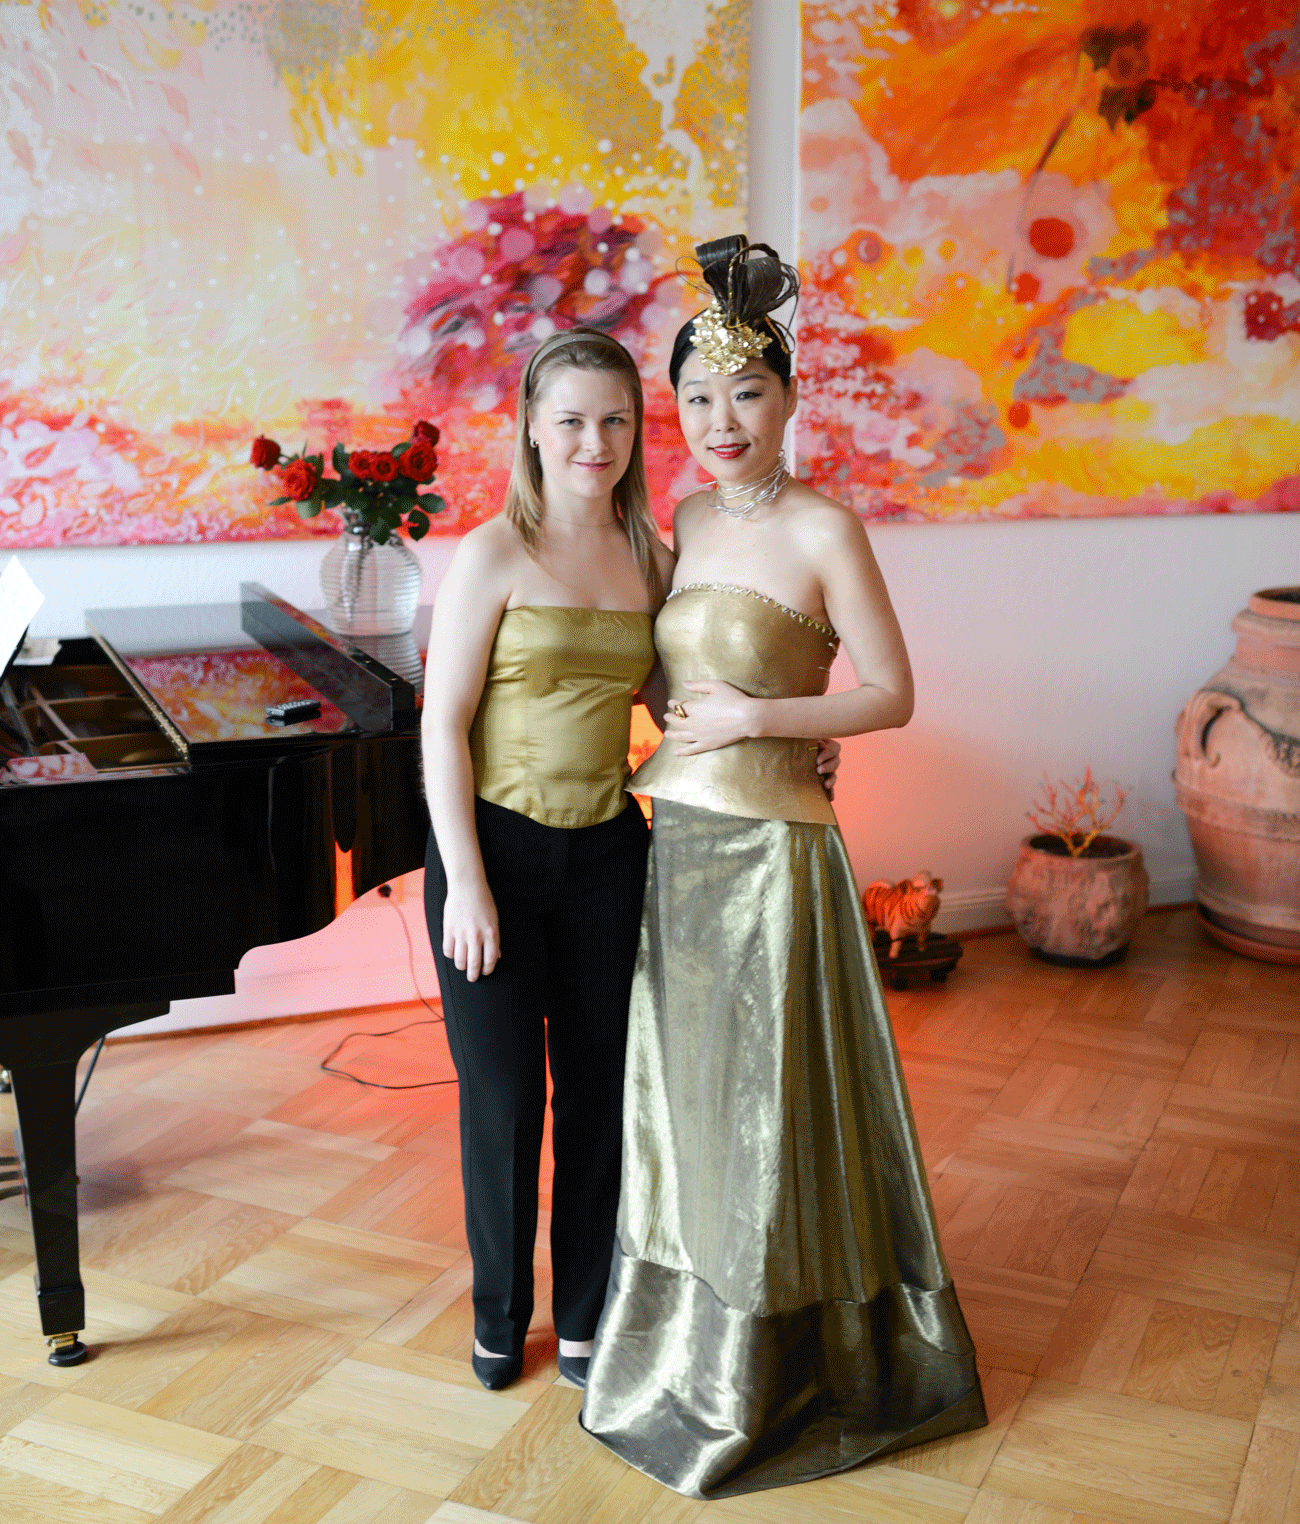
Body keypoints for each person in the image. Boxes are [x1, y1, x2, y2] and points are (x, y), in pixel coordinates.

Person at [580, 238, 987, 1497]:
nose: (721, 421)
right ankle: (690, 1342)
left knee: (776, 1099)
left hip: (775, 856)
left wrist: (769, 722)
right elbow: (662, 681)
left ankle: (789, 1362)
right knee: (691, 1098)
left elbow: (891, 693)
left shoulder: (825, 527)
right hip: (680, 849)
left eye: (746, 393)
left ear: (789, 397)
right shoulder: (684, 519)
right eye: (696, 397)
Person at [422, 327, 673, 1391]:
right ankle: (498, 1314)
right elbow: (442, 725)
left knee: (598, 1098)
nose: (594, 441)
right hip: (494, 854)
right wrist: (466, 885)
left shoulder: (652, 558)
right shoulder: (490, 553)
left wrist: (786, 733)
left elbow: (678, 704)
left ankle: (583, 1318)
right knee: (504, 1102)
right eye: (571, 419)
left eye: (615, 419)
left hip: (610, 856)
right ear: (531, 424)